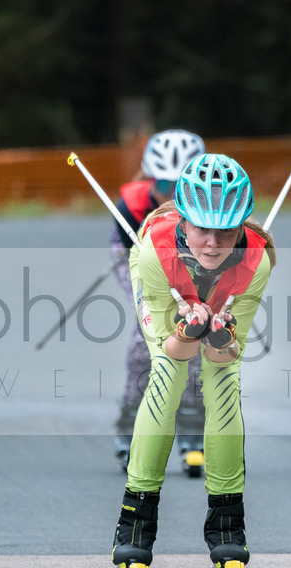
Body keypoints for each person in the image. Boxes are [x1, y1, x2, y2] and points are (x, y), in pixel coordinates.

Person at [110, 153, 276, 568]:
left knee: (223, 386)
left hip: (223, 304)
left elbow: (226, 358)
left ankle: (227, 527)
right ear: (184, 221)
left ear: (242, 225)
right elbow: (174, 350)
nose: (212, 243)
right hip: (165, 287)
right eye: (202, 228)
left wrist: (220, 339)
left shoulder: (256, 261)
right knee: (167, 377)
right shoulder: (153, 250)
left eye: (226, 230)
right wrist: (189, 329)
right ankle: (134, 527)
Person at [111, 129, 207, 476]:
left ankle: (194, 432)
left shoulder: (203, 207)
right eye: (165, 183)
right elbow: (130, 257)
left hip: (187, 261)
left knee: (193, 334)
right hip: (135, 257)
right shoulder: (131, 205)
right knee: (146, 337)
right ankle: (131, 427)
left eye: (181, 184)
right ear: (153, 177)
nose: (172, 192)